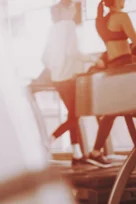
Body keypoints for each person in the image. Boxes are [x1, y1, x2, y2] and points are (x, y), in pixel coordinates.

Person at [42, 0, 105, 167]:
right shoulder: (68, 25)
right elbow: (73, 52)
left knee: (73, 115)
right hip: (69, 78)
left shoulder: (52, 28)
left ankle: (77, 155)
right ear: (68, 9)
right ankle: (49, 140)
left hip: (57, 78)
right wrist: (93, 59)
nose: (76, 11)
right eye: (74, 8)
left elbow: (45, 57)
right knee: (75, 114)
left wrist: (56, 67)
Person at [90, 0, 136, 166]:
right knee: (129, 108)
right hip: (124, 66)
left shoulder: (103, 20)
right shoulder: (122, 17)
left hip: (112, 67)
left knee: (115, 111)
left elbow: (112, 45)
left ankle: (95, 151)